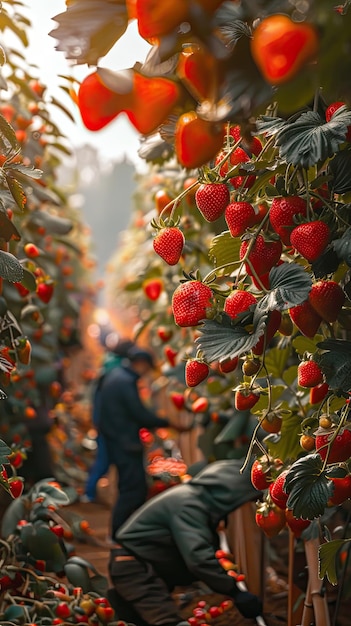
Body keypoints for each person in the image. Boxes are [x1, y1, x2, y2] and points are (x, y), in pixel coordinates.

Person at [108, 458, 264, 625]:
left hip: (138, 565)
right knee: (167, 621)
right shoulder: (189, 505)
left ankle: (121, 603)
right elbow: (198, 557)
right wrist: (234, 591)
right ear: (229, 494)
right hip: (135, 569)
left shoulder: (191, 498)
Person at [99, 345, 189, 539]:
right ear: (140, 364)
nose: (146, 374)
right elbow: (139, 413)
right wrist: (168, 423)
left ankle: (125, 533)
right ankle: (119, 535)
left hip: (117, 439)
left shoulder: (116, 377)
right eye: (147, 368)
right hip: (124, 442)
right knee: (133, 489)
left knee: (130, 487)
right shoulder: (124, 382)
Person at [82, 338, 135, 503]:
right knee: (104, 460)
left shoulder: (108, 366)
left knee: (104, 459)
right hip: (108, 422)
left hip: (103, 420)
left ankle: (92, 493)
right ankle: (89, 494)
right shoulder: (118, 369)